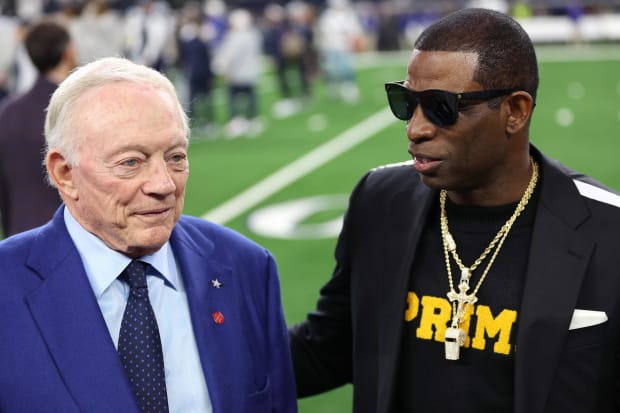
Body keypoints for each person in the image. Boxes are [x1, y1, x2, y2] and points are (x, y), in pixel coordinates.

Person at [289, 8, 620, 413]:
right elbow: (327, 349)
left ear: (515, 111)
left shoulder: (610, 231)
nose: (416, 128)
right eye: (405, 102)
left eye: (441, 107)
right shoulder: (380, 201)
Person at [0, 56, 297, 413]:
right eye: (131, 162)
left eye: (175, 157)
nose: (164, 184)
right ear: (65, 173)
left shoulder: (247, 266)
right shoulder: (7, 286)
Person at [0, 19, 76, 238]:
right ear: (68, 53)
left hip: (19, 237)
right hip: (69, 240)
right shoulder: (78, 109)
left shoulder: (9, 112)